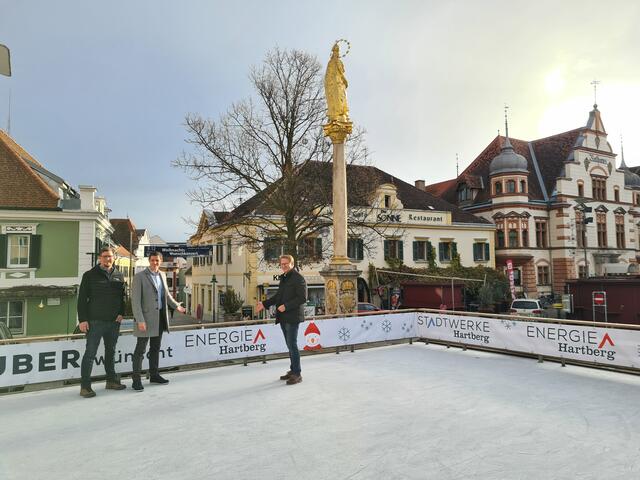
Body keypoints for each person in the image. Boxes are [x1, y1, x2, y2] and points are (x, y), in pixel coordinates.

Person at [130, 251, 185, 392]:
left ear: (160, 261)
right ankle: (136, 380)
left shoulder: (162, 275)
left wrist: (176, 306)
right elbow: (135, 301)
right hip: (145, 320)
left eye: (158, 260)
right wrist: (139, 320)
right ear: (149, 261)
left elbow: (166, 295)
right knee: (140, 351)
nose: (155, 263)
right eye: (153, 260)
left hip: (160, 318)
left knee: (155, 349)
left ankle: (154, 375)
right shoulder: (139, 277)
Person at [77, 246, 127, 398]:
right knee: (90, 354)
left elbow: (123, 297)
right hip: (95, 322)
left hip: (113, 322)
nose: (107, 259)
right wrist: (83, 320)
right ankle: (85, 387)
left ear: (114, 258)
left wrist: (121, 313)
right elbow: (81, 299)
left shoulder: (119, 275)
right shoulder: (89, 275)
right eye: (104, 256)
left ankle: (111, 381)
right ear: (100, 258)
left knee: (110, 352)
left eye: (110, 256)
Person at [256, 254, 307, 385]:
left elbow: (302, 298)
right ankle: (292, 370)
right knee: (289, 345)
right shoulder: (284, 278)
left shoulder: (298, 278)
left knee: (292, 345)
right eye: (282, 264)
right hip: (283, 316)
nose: (283, 266)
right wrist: (264, 304)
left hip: (293, 317)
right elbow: (278, 296)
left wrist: (287, 306)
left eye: (286, 264)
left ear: (292, 264)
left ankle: (297, 373)